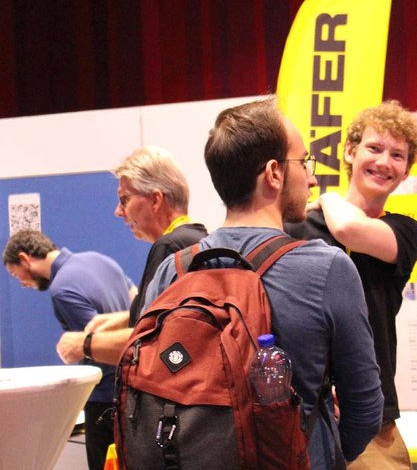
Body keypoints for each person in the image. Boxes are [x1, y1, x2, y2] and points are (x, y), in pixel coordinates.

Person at [140, 96, 384, 469]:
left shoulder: (172, 271)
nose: (312, 177)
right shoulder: (327, 269)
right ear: (273, 173)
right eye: (304, 162)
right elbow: (364, 407)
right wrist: (320, 456)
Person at [285, 100, 417, 470]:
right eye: (374, 148)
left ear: (406, 171)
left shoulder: (404, 232)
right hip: (304, 413)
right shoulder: (299, 229)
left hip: (370, 417)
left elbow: (349, 228)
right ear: (349, 152)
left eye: (397, 155)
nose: (384, 162)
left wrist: (327, 196)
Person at [55, 146, 207, 365]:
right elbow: (175, 316)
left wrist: (83, 344)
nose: (118, 211)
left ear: (155, 200)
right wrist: (125, 318)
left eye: (124, 199)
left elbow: (149, 341)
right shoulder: (198, 240)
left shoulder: (168, 248)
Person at [3, 230, 134, 470]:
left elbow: (95, 343)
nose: (21, 283)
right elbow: (138, 303)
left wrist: (75, 347)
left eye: (15, 273)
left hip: (104, 399)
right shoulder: (100, 259)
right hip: (134, 393)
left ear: (24, 258)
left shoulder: (61, 289)